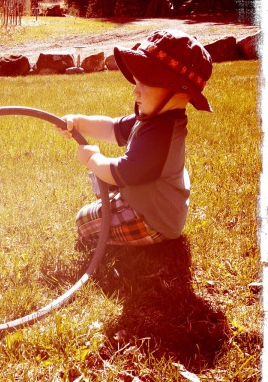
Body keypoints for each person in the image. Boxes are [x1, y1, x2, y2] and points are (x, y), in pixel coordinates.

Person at [58, 29, 213, 246]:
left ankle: (129, 216)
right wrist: (79, 122)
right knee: (100, 177)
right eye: (137, 82)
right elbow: (112, 127)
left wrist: (92, 159)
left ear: (180, 91)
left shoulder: (161, 134)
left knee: (83, 221)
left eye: (145, 84)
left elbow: (124, 172)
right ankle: (119, 204)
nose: (135, 92)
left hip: (154, 221)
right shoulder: (156, 117)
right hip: (148, 198)